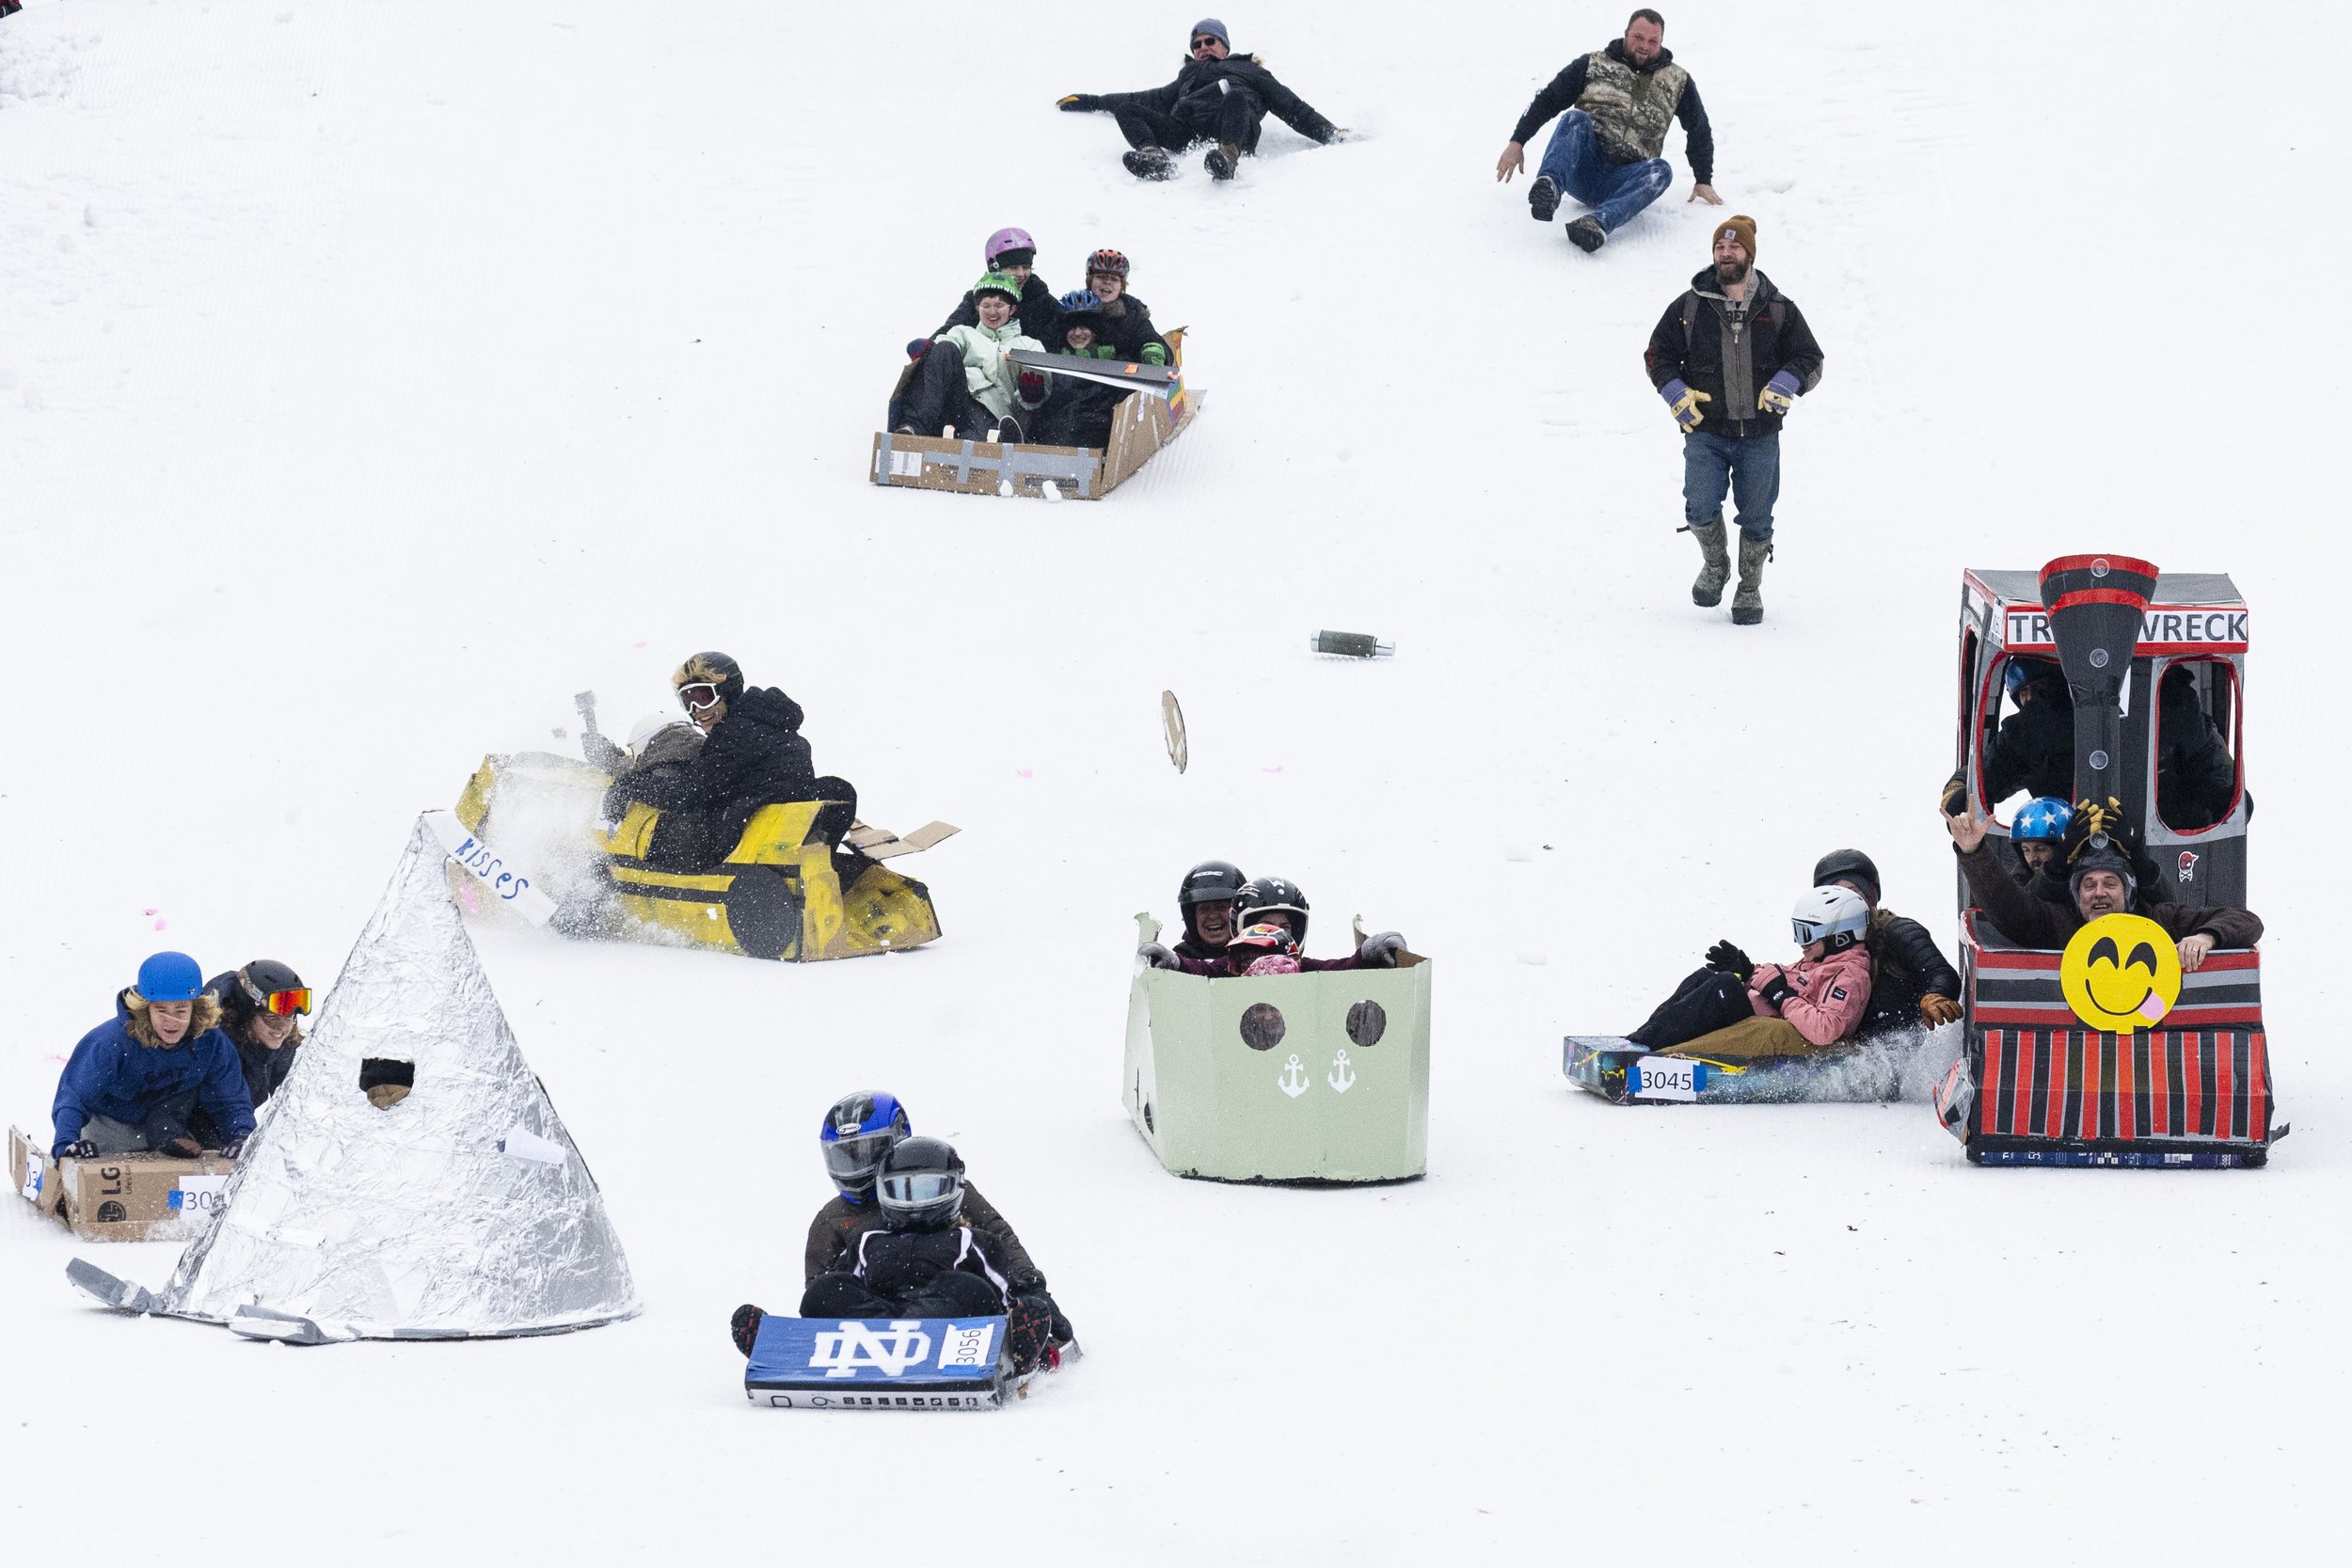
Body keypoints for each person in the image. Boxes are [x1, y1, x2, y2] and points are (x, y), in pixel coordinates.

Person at [739, 1133, 1067, 1373]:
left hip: (943, 1323)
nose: (914, 1202)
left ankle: (1014, 1355)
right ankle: (779, 1349)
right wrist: (825, 1299)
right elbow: (838, 1284)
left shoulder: (969, 1239)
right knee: (824, 1291)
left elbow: (1002, 1291)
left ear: (953, 1189)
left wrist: (1028, 1320)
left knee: (970, 1289)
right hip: (878, 1320)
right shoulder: (869, 1240)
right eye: (900, 1190)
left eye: (927, 1189)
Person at [1645, 214, 1823, 626]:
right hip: (1705, 431)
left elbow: (1810, 358)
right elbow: (1658, 355)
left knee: (1758, 515)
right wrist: (1674, 392)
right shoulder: (1689, 306)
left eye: (1734, 247)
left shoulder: (1778, 309)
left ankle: (1749, 588)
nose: (1726, 253)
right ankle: (1715, 566)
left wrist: (1785, 381)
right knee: (1699, 505)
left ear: (1750, 255)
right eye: (1719, 248)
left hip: (1760, 434)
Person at [1495, 9, 1720, 253]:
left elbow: (1699, 128)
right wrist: (1517, 141)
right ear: (1626, 34)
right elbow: (1548, 99)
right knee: (1574, 119)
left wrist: (1703, 179)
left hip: (1624, 181)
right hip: (1582, 169)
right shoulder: (1593, 64)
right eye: (1638, 37)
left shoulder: (1678, 81)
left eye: (1652, 41)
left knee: (1661, 171)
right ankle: (1549, 188)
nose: (1644, 46)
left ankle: (1598, 222)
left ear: (1661, 43)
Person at [1945, 798, 2262, 960]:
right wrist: (1974, 851)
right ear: (2075, 893)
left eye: (2110, 884)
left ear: (2128, 891)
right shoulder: (2056, 923)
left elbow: (2247, 921)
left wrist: (2205, 938)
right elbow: (2007, 907)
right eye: (2089, 884)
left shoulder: (2157, 919)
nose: (2099, 893)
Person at [617, 652, 841, 872]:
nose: (696, 711)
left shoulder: (736, 734)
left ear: (728, 693)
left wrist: (631, 786)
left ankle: (643, 874)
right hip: (775, 831)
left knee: (670, 830)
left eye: (704, 698)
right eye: (688, 701)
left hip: (748, 841)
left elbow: (688, 792)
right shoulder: (762, 722)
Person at [1057, 17, 1341, 182]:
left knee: (1235, 97)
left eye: (1209, 41)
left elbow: (1291, 106)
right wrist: (1093, 100)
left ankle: (1228, 157)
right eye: (1197, 44)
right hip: (1188, 131)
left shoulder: (1250, 70)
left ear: (1224, 46)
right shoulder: (1187, 76)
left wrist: (1330, 133)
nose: (1203, 47)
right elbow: (1145, 98)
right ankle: (1154, 159)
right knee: (1129, 109)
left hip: (1232, 124)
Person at [1626, 886, 1873, 1058]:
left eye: (1806, 933)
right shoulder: (1821, 960)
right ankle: (1646, 1038)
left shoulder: (1849, 975)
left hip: (1799, 1039)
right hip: (1774, 1016)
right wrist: (1748, 971)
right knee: (1707, 978)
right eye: (1798, 931)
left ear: (1840, 937)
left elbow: (1825, 1027)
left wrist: (1781, 995)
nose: (1800, 942)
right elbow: (1794, 984)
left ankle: (1655, 1048)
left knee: (1725, 988)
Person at [51, 952, 254, 1160]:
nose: (171, 1022)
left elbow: (230, 1100)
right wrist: (66, 1143)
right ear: (145, 1008)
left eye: (181, 1011)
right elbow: (75, 1096)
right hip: (112, 1127)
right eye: (161, 1010)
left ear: (196, 1007)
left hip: (172, 1128)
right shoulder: (108, 1043)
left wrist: (242, 1135)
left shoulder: (211, 1043)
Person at [1810, 850, 1963, 1040]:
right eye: (1835, 895)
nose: (1844, 903)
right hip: (1835, 1048)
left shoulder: (1897, 930)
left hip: (1889, 1056)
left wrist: (1936, 995)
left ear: (1870, 896)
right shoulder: (1825, 944)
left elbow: (1941, 972)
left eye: (1852, 892)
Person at [894, 274, 1048, 442]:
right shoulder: (964, 333)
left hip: (994, 411)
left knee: (972, 442)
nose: (992, 312)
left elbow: (1044, 381)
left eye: (999, 305)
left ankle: (1003, 440)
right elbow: (945, 346)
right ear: (977, 308)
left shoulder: (1029, 346)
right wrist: (929, 350)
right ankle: (913, 428)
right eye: (986, 305)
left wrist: (1033, 395)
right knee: (945, 349)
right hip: (957, 400)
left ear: (1012, 309)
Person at [1142, 876, 1406, 974]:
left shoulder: (1301, 967)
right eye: (1266, 925)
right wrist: (1175, 963)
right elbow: (1201, 971)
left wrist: (1368, 955)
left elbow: (1339, 969)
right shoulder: (1234, 966)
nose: (1277, 933)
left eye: (1285, 927)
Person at [206, 958, 311, 1112]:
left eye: (289, 1018)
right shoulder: (211, 1047)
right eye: (271, 1018)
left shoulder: (284, 1044)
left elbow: (299, 1097)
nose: (282, 1028)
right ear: (246, 1013)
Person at [1030, 291, 1131, 450]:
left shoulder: (1116, 361)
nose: (1077, 333)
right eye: (1072, 328)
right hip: (1055, 435)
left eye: (1084, 326)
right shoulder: (1052, 361)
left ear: (1095, 329)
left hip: (1096, 434)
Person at [931, 228, 1059, 343]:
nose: (1021, 274)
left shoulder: (1045, 303)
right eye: (1013, 267)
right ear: (995, 268)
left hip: (1025, 367)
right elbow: (951, 330)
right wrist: (929, 347)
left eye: (1026, 267)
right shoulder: (978, 299)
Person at [1065, 249, 1171, 367]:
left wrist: (1155, 351)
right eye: (1101, 277)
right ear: (1090, 281)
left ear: (1122, 286)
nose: (1107, 282)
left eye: (1114, 279)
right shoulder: (1072, 308)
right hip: (1072, 381)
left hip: (1119, 381)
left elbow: (1151, 339)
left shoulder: (1133, 316)